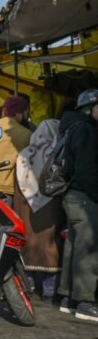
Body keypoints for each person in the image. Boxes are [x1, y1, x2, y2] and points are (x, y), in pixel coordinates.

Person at [57, 88, 98, 322]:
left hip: (73, 195)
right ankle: (84, 301)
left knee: (74, 247)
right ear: (90, 108)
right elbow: (87, 170)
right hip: (84, 196)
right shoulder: (86, 130)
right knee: (88, 249)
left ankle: (68, 297)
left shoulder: (72, 127)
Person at [14, 120, 64, 300]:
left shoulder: (23, 155)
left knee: (28, 246)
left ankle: (28, 285)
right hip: (50, 209)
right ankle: (49, 290)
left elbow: (17, 189)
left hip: (26, 210)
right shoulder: (57, 154)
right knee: (50, 246)